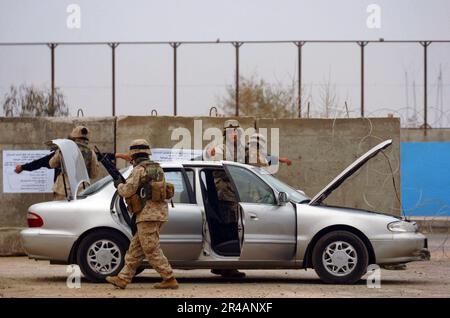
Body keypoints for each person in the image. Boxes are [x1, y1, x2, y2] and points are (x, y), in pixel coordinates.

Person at [105, 139, 178, 290]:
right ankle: (123, 278)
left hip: (147, 215)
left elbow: (127, 191)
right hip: (158, 213)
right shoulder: (156, 167)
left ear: (134, 155)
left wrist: (118, 184)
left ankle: (169, 277)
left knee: (151, 248)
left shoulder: (139, 170)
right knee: (136, 248)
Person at [48, 126, 99, 200]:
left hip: (63, 189)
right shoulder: (91, 153)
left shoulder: (64, 149)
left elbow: (51, 164)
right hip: (82, 190)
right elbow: (94, 175)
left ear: (73, 137)